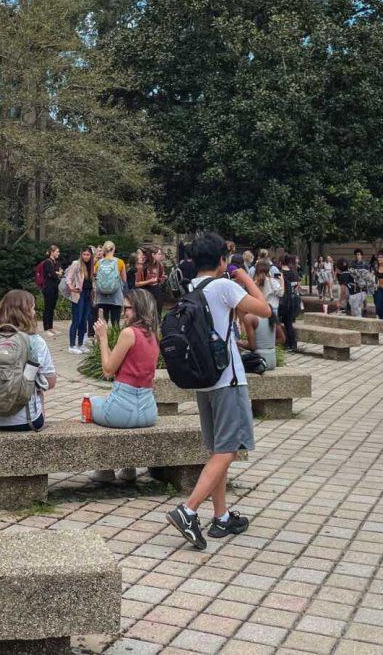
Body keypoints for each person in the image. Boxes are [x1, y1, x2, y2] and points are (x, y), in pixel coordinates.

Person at [166, 233, 272, 551]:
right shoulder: (224, 286)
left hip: (204, 380)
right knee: (228, 450)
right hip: (228, 380)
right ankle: (188, 511)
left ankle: (222, 516)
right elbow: (264, 310)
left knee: (218, 450)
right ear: (222, 261)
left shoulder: (189, 289)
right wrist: (242, 276)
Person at [90, 290, 161, 483]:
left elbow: (108, 370)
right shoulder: (152, 335)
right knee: (113, 411)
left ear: (139, 309)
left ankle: (104, 469)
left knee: (90, 403)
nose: (123, 313)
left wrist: (103, 338)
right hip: (148, 410)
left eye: (127, 308)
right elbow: (120, 365)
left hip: (121, 410)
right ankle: (129, 468)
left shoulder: (128, 333)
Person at [0, 291, 56, 432]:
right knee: (37, 389)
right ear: (27, 312)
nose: (35, 312)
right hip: (26, 421)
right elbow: (51, 382)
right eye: (33, 308)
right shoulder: (35, 341)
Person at [65, 247, 96, 354]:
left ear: (91, 255)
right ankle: (72, 345)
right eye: (84, 254)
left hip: (88, 294)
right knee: (76, 319)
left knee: (84, 320)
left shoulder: (93, 265)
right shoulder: (76, 264)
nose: (86, 256)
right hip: (79, 294)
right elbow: (68, 278)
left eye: (88, 254)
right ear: (81, 255)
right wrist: (71, 287)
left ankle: (81, 344)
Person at [93, 240, 127, 327]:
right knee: (115, 323)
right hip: (116, 297)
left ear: (104, 250)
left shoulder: (98, 263)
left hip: (101, 297)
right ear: (114, 249)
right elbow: (124, 279)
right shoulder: (120, 262)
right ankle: (114, 339)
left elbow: (95, 277)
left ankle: (102, 339)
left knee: (102, 323)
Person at [277, 254, 301, 353]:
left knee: (278, 323)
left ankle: (284, 343)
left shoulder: (280, 273)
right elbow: (297, 286)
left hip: (282, 301)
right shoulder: (294, 272)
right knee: (289, 324)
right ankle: (292, 344)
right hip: (293, 300)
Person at [135, 246, 167, 316]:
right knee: (146, 310)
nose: (161, 256)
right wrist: (149, 281)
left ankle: (158, 322)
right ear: (153, 255)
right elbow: (137, 284)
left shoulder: (159, 265)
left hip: (155, 288)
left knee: (159, 303)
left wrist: (162, 279)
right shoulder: (142, 266)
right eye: (159, 254)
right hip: (145, 289)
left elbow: (160, 279)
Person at [39, 245, 62, 338]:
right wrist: (57, 273)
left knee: (52, 307)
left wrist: (58, 273)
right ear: (52, 252)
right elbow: (52, 274)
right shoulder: (48, 262)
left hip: (54, 287)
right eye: (57, 252)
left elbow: (59, 272)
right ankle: (46, 329)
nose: (58, 253)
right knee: (47, 307)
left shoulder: (55, 262)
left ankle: (51, 327)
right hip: (48, 287)